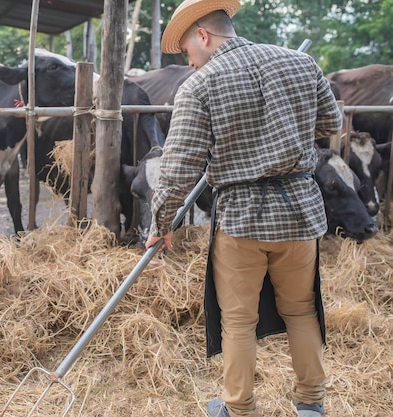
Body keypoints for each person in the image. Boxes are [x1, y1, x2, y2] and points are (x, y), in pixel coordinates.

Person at [144, 1, 343, 416]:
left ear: (203, 35)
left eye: (188, 51)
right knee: (302, 309)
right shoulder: (299, 63)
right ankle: (311, 404)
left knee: (238, 320)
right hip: (299, 213)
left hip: (242, 217)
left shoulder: (199, 87)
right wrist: (284, 131)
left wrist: (162, 223)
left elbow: (178, 169)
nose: (190, 62)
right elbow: (331, 124)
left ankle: (239, 409)